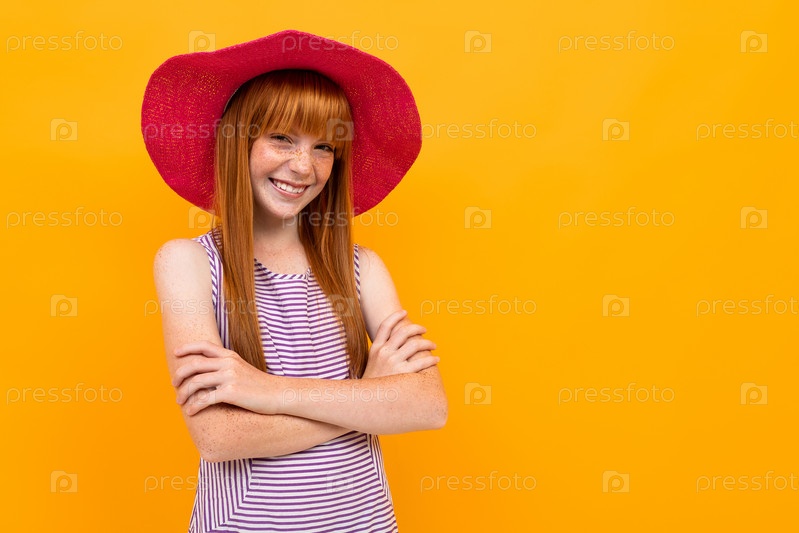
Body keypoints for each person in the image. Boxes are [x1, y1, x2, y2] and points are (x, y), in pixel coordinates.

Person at [142, 30, 448, 532]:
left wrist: (267, 391)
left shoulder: (362, 268)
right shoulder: (189, 263)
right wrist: (368, 396)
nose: (304, 166)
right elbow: (218, 437)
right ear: (238, 139)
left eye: (324, 146)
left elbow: (429, 406)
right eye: (282, 138)